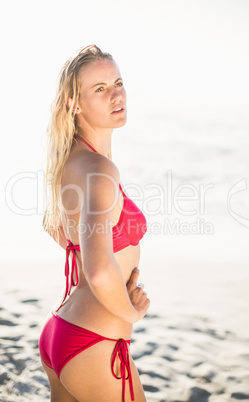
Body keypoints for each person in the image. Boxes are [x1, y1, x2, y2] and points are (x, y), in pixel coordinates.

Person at [39, 45, 150, 402]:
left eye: (118, 82)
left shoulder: (71, 161)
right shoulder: (100, 170)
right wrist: (130, 310)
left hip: (61, 333)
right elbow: (101, 272)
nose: (117, 94)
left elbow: (58, 229)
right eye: (100, 88)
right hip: (95, 343)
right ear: (75, 103)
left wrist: (110, 276)